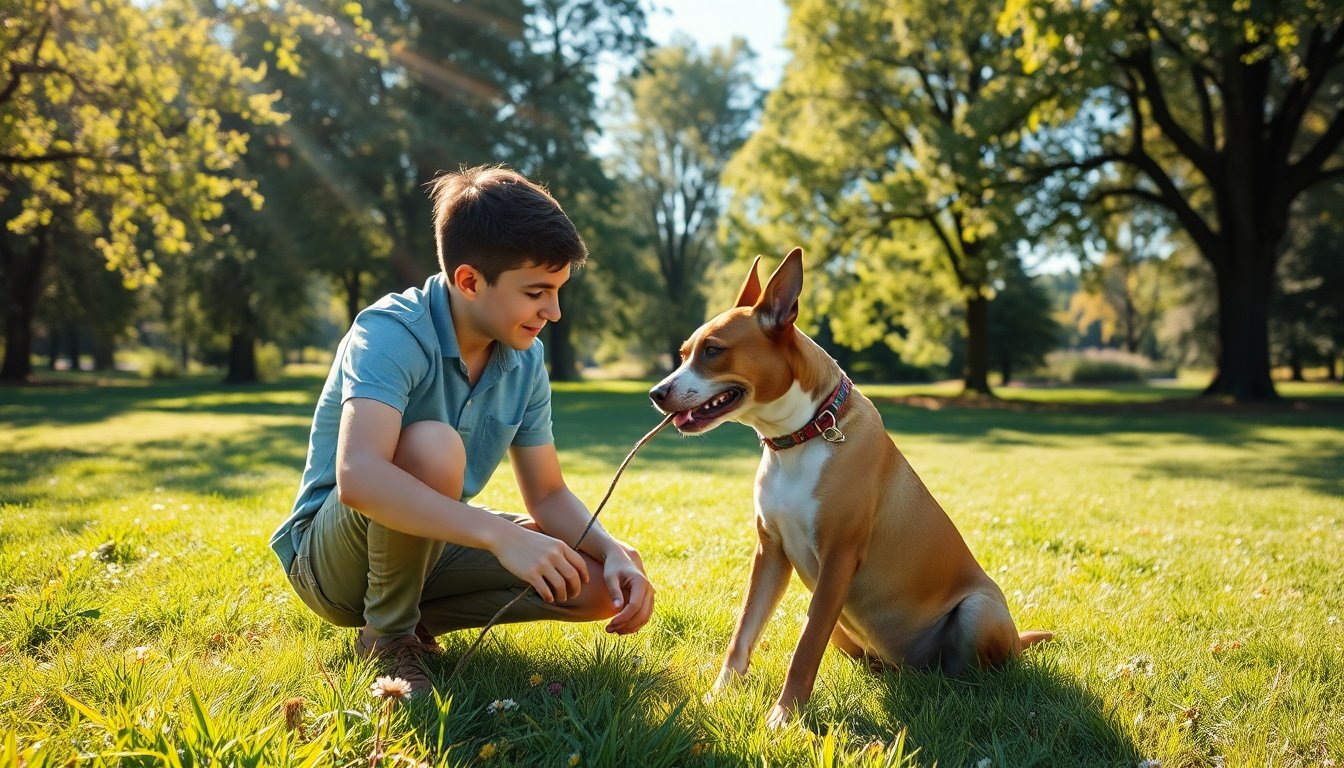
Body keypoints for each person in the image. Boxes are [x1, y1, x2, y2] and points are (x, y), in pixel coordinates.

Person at [270, 165, 655, 694]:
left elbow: (547, 493)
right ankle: (388, 638)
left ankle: (411, 620)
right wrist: (500, 537)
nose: (554, 311)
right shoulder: (390, 332)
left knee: (594, 585)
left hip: (428, 542)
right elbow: (358, 477)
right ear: (470, 281)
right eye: (537, 291)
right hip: (331, 562)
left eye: (559, 290)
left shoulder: (526, 360)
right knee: (433, 446)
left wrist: (612, 551)